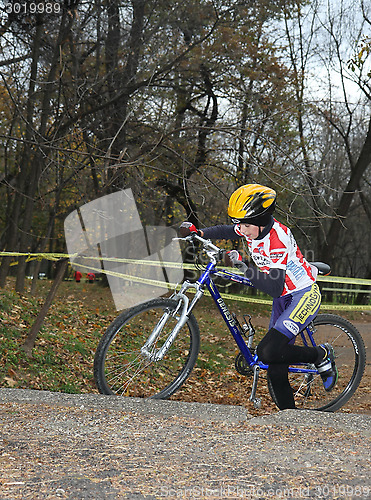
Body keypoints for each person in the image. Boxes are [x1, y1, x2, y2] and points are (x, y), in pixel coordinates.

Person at [179, 184, 338, 410]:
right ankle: (289, 418)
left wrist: (243, 266)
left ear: (261, 220)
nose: (241, 230)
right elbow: (226, 230)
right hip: (283, 297)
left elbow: (273, 287)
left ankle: (321, 354)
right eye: (240, 225)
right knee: (274, 364)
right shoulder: (253, 226)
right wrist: (200, 233)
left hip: (302, 293)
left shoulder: (277, 239)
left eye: (245, 225)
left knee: (267, 351)